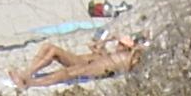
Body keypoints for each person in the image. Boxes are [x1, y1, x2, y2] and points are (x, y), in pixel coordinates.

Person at [9, 34, 141, 88]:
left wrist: (134, 48)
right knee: (48, 47)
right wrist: (106, 41)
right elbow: (94, 48)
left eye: (121, 44)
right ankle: (27, 73)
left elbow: (137, 56)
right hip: (84, 62)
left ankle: (29, 82)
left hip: (87, 66)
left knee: (65, 73)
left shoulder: (125, 58)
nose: (118, 45)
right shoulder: (112, 55)